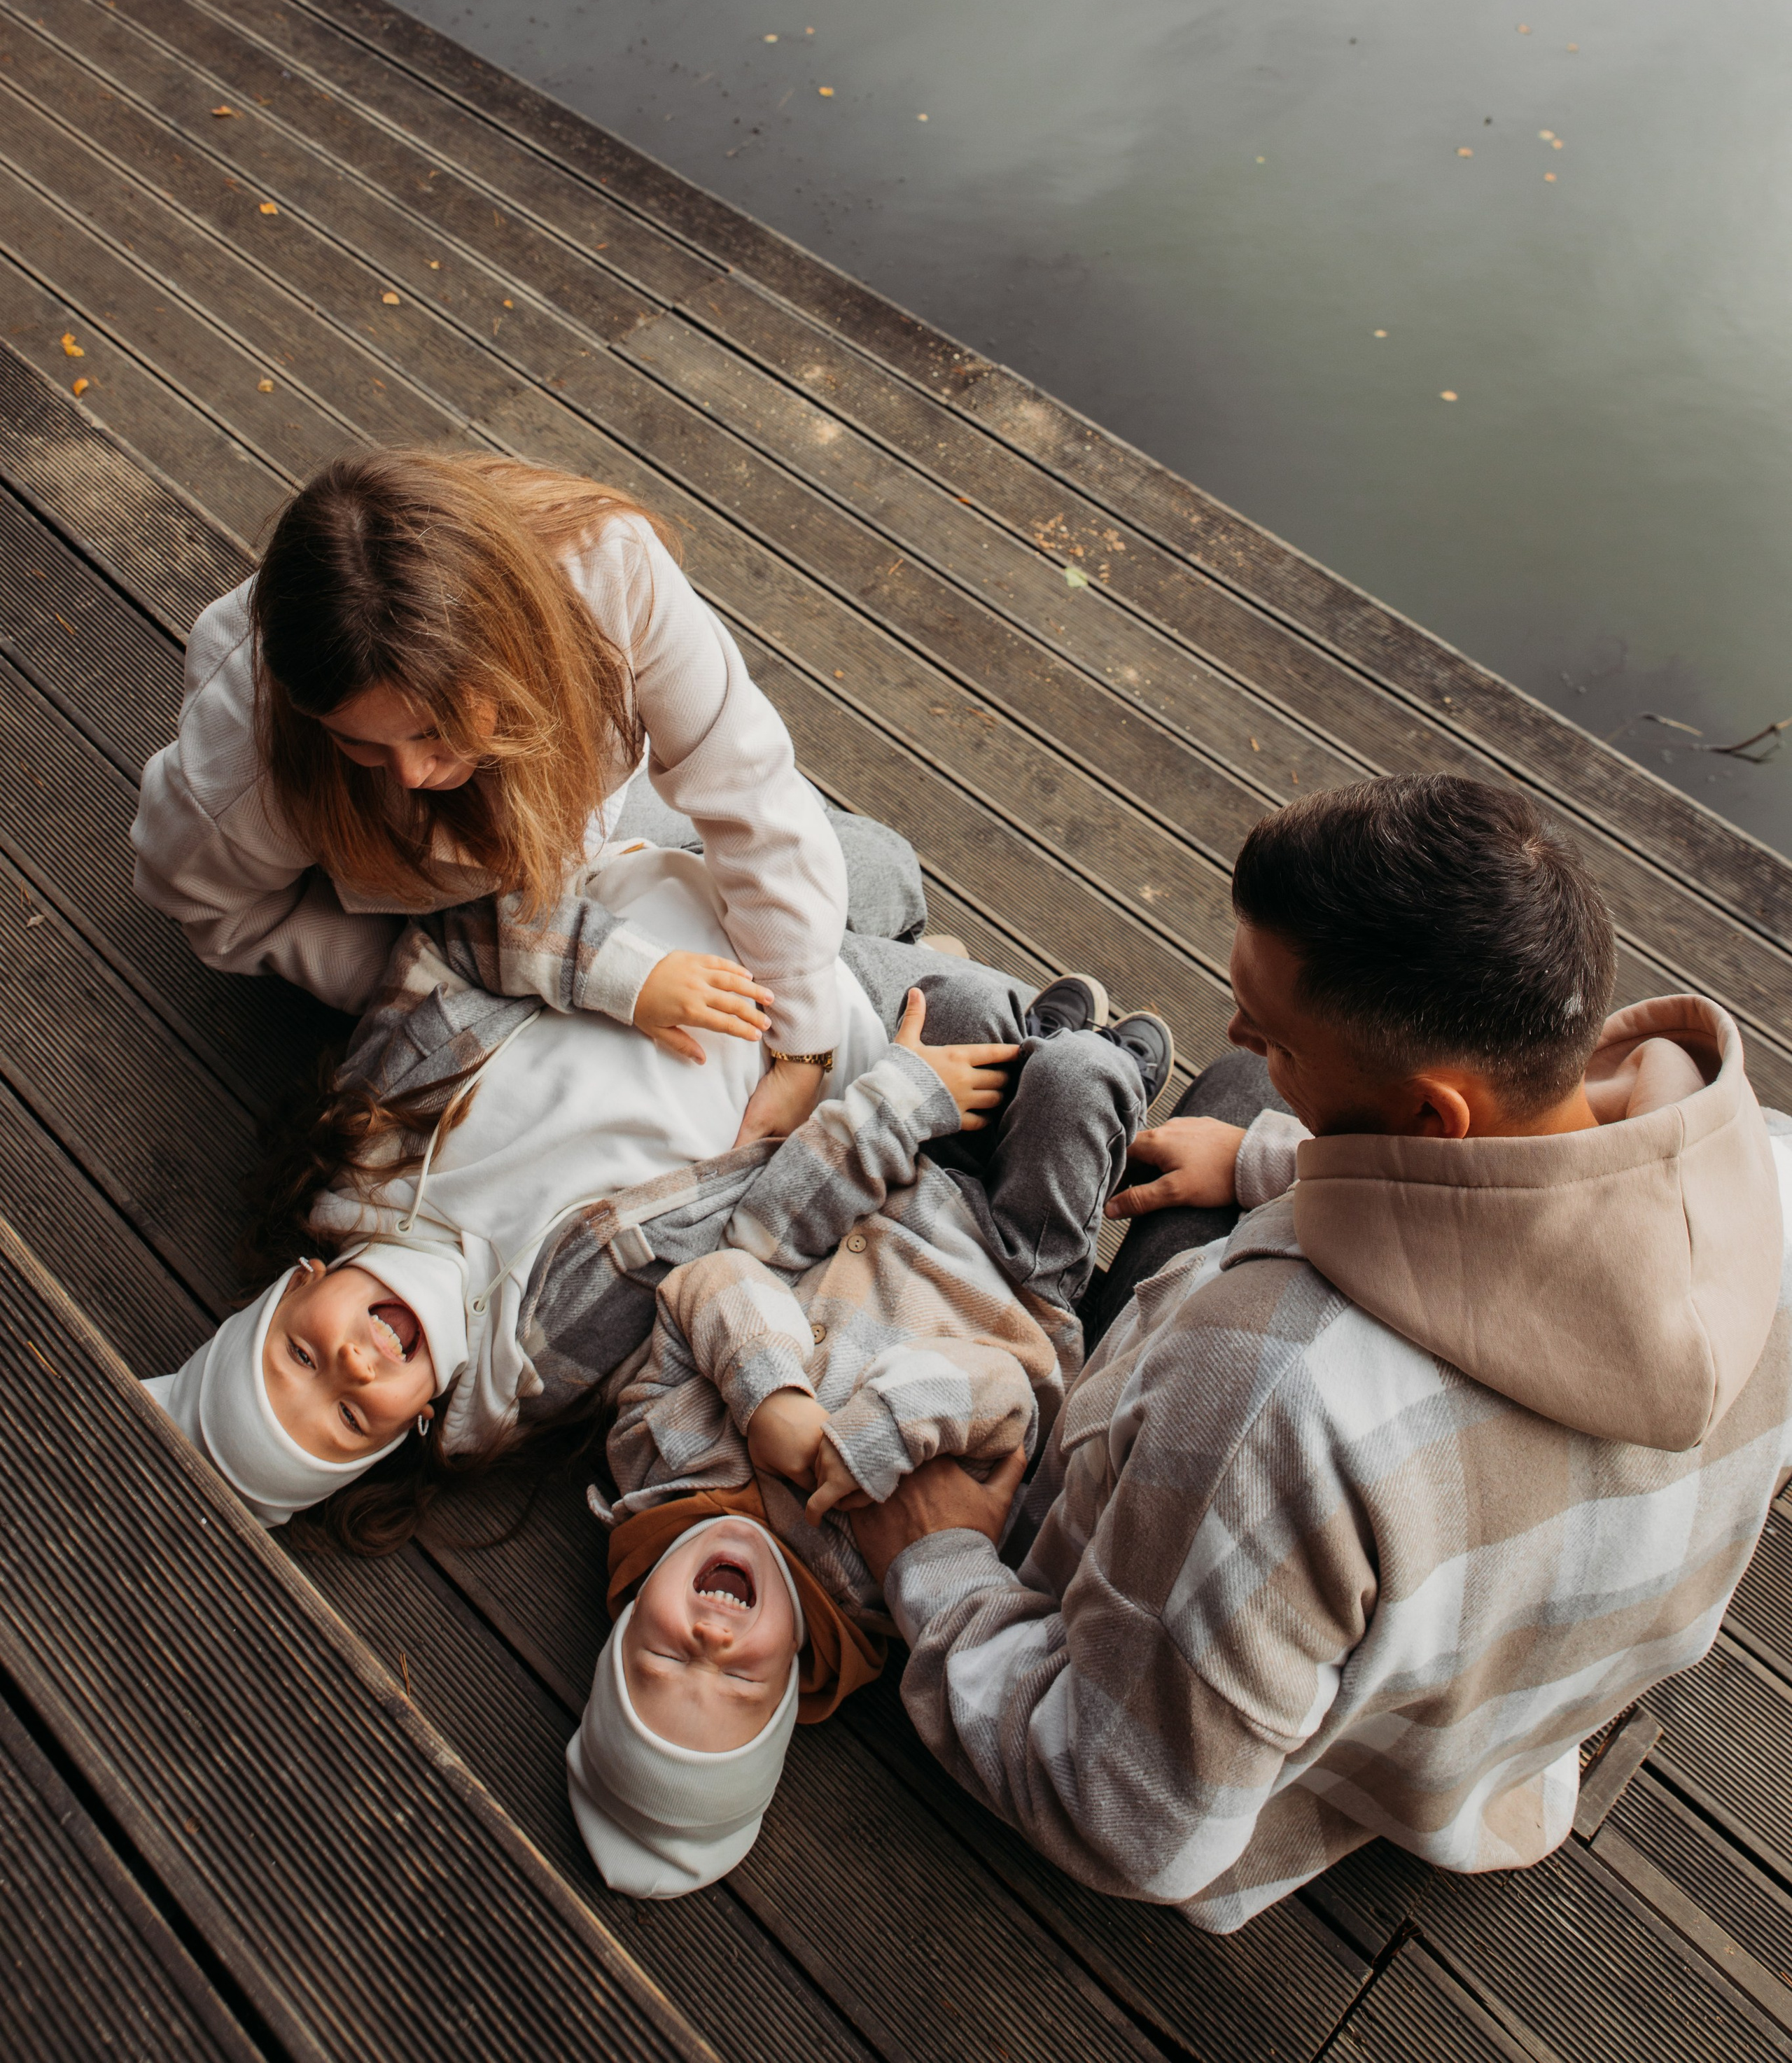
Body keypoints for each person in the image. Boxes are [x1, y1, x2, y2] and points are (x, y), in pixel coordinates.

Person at [850, 775, 1792, 1931]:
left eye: (1274, 1022)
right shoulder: (1766, 1175)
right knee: (1242, 1101)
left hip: (1225, 1761)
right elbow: (1533, 1208)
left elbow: (1126, 1818)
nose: (1238, 1025)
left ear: (1432, 1123)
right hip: (1491, 1723)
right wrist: (1268, 1162)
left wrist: (937, 1568)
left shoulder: (1274, 1403)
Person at [143, 831, 1170, 1555]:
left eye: (302, 1354)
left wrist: (628, 978)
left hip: (666, 898)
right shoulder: (532, 1361)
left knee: (880, 864)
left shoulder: (364, 1134)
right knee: (1002, 1034)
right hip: (795, 1046)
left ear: (296, 1285)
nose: (355, 1362)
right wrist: (877, 1101)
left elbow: (455, 941)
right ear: (405, 1430)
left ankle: (902, 938)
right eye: (349, 1413)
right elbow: (750, 1242)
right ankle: (958, 999)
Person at [566, 967, 1163, 1899]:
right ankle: (1107, 1063)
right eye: (734, 1687)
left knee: (956, 1005)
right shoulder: (880, 1581)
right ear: (792, 1691)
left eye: (663, 1657)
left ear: (625, 1622)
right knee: (1078, 1083)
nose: (710, 1647)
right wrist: (884, 1430)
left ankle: (1040, 1032)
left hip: (879, 1197)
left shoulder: (652, 1454)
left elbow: (714, 1281)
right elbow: (1007, 1398)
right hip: (1009, 1272)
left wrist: (776, 1407)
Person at [130, 448, 914, 1145]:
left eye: (434, 733)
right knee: (846, 904)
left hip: (589, 825)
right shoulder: (243, 764)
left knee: (879, 866)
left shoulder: (609, 570)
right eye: (361, 743)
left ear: (512, 659)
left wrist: (804, 1045)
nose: (405, 774)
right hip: (426, 921)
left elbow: (743, 782)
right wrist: (433, 976)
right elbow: (212, 907)